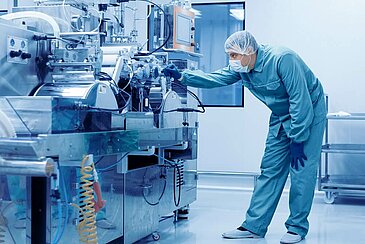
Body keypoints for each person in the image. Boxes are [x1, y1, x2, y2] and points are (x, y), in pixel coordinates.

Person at [163, 30, 326, 244]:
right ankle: (254, 226)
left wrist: (298, 139)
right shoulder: (244, 67)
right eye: (229, 55)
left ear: (249, 51)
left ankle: (296, 228)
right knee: (270, 169)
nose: (231, 61)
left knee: (301, 171)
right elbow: (216, 78)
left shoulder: (282, 59)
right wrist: (182, 77)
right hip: (280, 115)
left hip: (309, 112)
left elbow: (300, 100)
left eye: (233, 55)